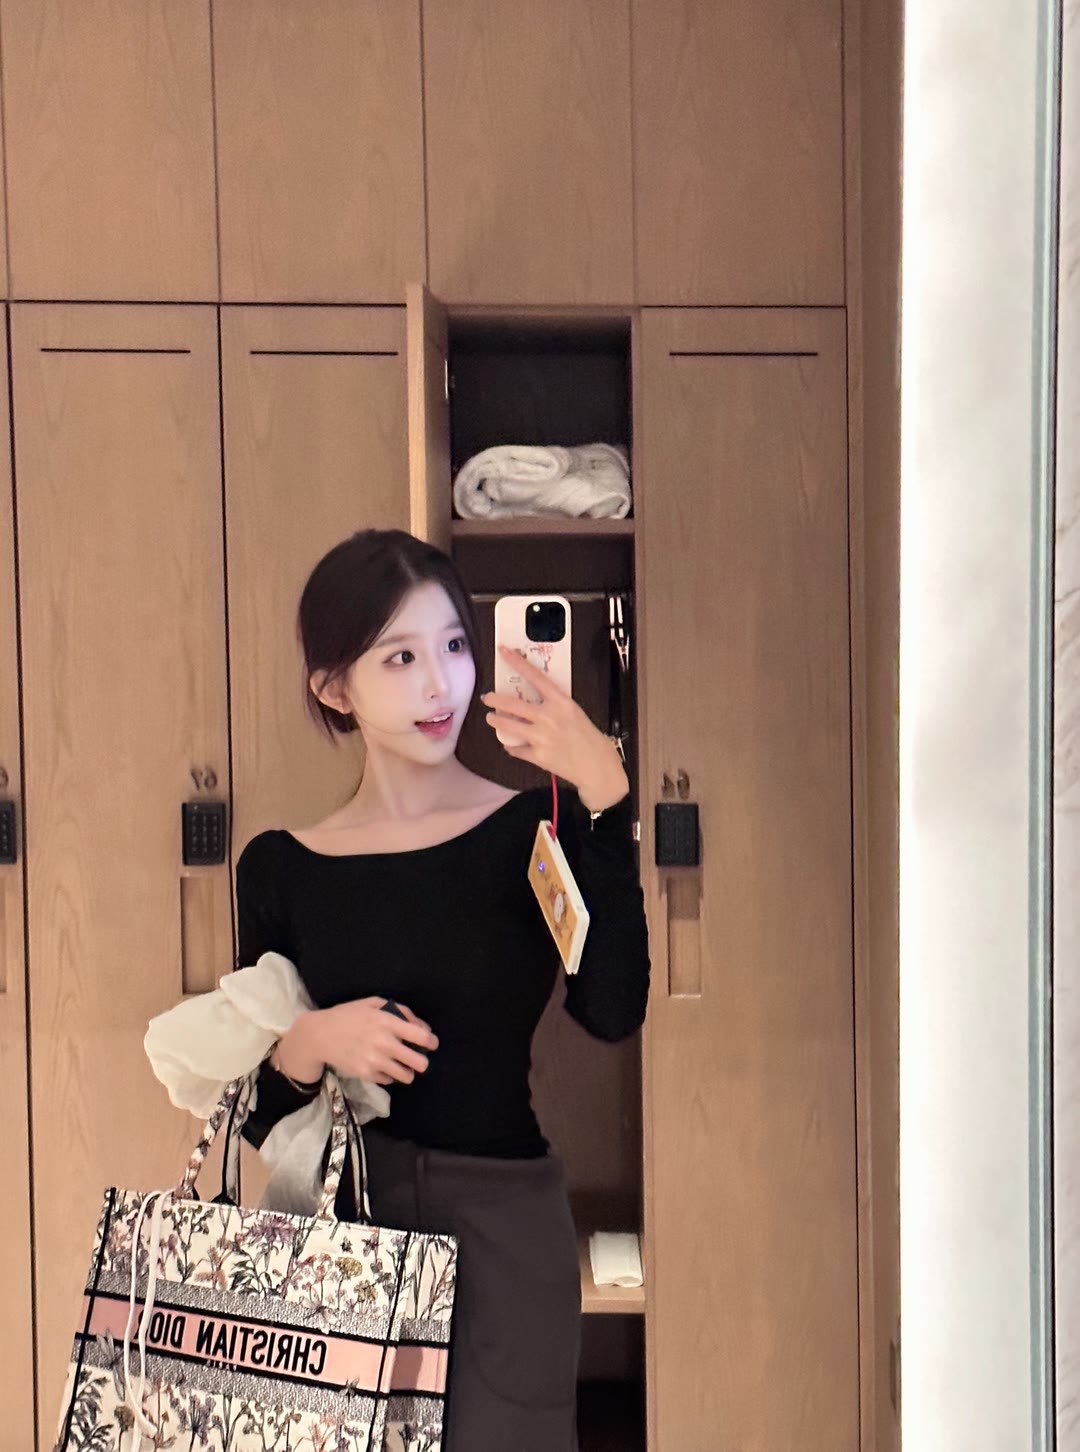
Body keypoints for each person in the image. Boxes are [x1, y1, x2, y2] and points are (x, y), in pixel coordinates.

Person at [234, 527, 651, 1450]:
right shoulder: (280, 869)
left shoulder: (532, 831)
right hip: (344, 1232)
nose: (443, 685)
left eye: (456, 646)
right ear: (333, 688)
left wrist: (606, 795)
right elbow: (260, 1116)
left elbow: (611, 1008)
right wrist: (311, 1041)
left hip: (503, 1234)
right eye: (402, 657)